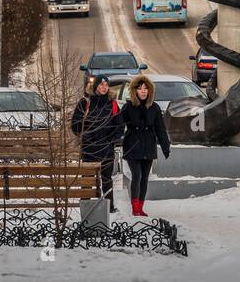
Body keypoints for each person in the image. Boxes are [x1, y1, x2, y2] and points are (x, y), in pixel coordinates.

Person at [70, 74, 123, 212]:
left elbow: (120, 126)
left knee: (106, 180)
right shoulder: (85, 102)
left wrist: (112, 140)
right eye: (101, 84)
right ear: (95, 86)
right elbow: (75, 124)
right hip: (89, 149)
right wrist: (86, 137)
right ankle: (85, 207)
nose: (104, 87)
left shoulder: (112, 104)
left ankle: (109, 207)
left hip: (106, 149)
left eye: (106, 85)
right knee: (87, 180)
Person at [120, 74, 171, 217]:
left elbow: (161, 129)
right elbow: (118, 124)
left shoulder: (154, 108)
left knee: (144, 178)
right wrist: (113, 138)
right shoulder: (128, 106)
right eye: (140, 88)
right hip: (132, 145)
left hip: (148, 146)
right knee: (137, 175)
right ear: (134, 91)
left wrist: (165, 146)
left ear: (149, 91)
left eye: (145, 88)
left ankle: (140, 207)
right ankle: (134, 207)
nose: (143, 91)